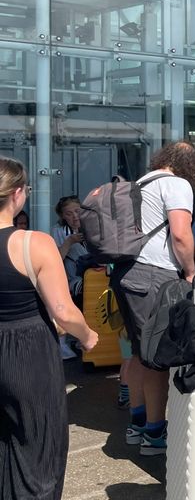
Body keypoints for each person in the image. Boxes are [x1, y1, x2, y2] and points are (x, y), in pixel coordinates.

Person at [0, 156, 98, 500]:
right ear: (16, 194)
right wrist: (88, 337)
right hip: (28, 350)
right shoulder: (33, 243)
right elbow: (62, 310)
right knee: (39, 447)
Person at [110, 141, 195, 456]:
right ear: (190, 164)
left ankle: (137, 424)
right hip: (153, 276)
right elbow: (180, 234)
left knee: (137, 351)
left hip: (124, 273)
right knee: (156, 357)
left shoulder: (140, 183)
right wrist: (190, 271)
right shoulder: (177, 184)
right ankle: (154, 433)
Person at [51, 195, 87, 300]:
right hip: (74, 280)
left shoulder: (92, 226)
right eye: (69, 214)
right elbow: (56, 260)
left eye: (77, 211)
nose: (75, 216)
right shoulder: (58, 231)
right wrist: (69, 241)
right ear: (63, 216)